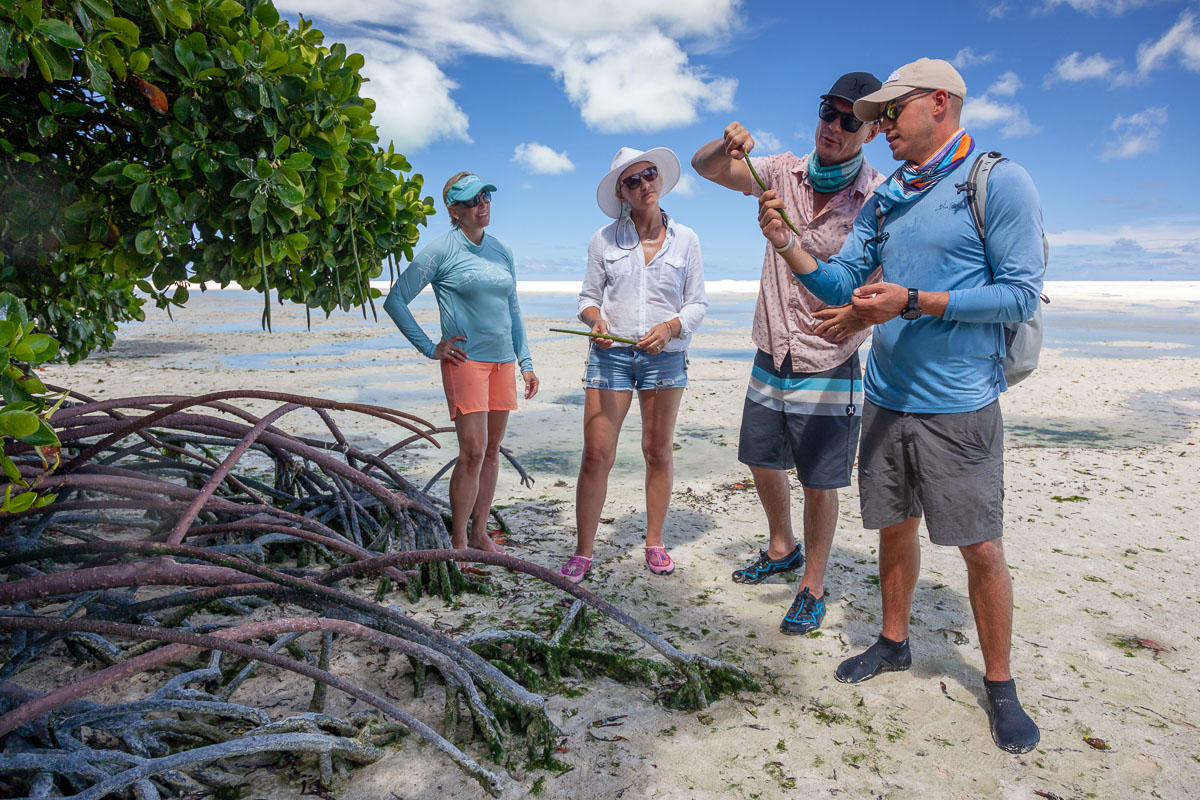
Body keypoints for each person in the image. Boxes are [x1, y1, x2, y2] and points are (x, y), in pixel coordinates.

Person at [757, 58, 1043, 754]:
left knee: (980, 547)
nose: (879, 125)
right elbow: (840, 282)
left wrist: (914, 301)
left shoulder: (997, 181)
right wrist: (789, 244)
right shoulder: (888, 198)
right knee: (894, 526)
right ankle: (893, 642)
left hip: (960, 403)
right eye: (874, 115)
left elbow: (1020, 294)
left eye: (892, 111)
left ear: (938, 104)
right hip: (886, 396)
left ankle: (1000, 685)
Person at [691, 73, 884, 635]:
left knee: (821, 479)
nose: (835, 126)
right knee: (760, 456)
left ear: (870, 132)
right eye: (829, 112)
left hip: (829, 354)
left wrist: (856, 315)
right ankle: (782, 547)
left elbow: (871, 281)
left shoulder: (874, 197)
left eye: (851, 121)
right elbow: (707, 169)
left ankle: (812, 584)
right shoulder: (780, 170)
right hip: (772, 343)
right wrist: (726, 144)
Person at [556, 147, 708, 583]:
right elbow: (587, 298)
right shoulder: (603, 240)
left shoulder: (688, 240)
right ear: (621, 192)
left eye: (649, 175)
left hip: (667, 357)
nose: (645, 185)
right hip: (612, 355)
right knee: (596, 456)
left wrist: (672, 326)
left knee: (657, 452)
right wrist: (596, 321)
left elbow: (697, 303)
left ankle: (655, 542)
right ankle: (584, 551)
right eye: (633, 180)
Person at [383, 172, 539, 559]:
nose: (482, 204)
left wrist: (526, 362)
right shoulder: (440, 251)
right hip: (466, 362)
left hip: (503, 362)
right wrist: (429, 347)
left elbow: (513, 309)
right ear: (454, 211)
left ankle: (481, 533)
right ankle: (458, 543)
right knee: (472, 450)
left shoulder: (501, 251)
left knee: (492, 450)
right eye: (472, 201)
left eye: (486, 195)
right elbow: (396, 300)